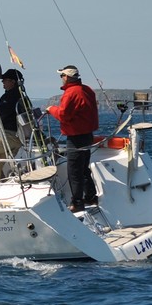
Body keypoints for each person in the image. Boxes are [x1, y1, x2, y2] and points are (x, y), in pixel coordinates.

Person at [47, 64, 99, 212]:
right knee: (83, 169)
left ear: (67, 77)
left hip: (76, 137)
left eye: (62, 76)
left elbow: (63, 115)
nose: (61, 78)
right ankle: (91, 197)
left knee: (74, 171)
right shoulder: (87, 90)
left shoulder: (71, 93)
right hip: (87, 136)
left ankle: (77, 203)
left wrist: (51, 109)